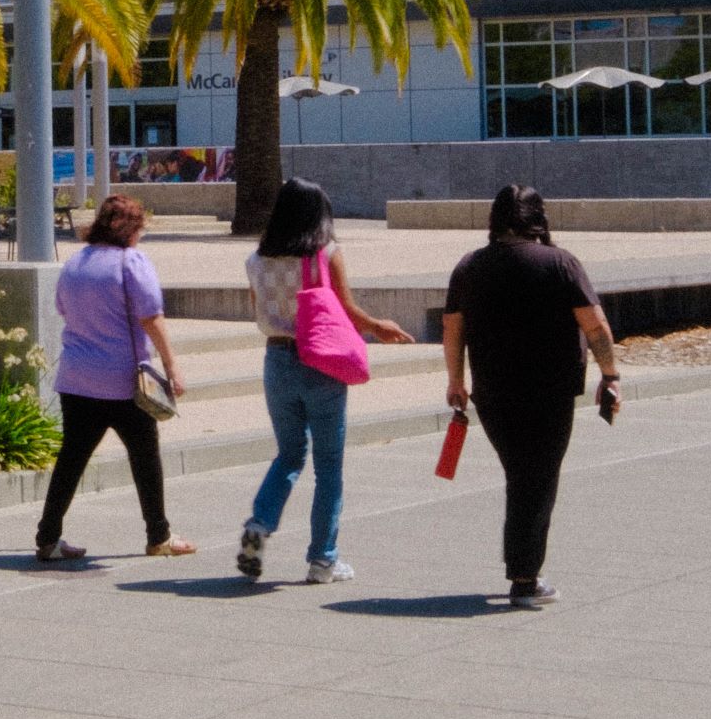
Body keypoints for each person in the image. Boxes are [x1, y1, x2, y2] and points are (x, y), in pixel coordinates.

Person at [442, 183, 622, 608]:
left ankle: (523, 567)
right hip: (550, 390)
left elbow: (452, 329)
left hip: (493, 392)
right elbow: (594, 326)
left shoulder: (469, 267)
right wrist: (610, 374)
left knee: (521, 475)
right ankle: (524, 577)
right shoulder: (561, 263)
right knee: (536, 478)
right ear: (538, 219)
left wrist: (455, 381)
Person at [237, 177, 411, 585]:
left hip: (277, 361)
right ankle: (323, 560)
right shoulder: (325, 255)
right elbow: (347, 311)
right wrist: (378, 327)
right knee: (328, 466)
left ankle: (260, 524)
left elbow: (257, 310)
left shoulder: (255, 260)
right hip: (321, 364)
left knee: (289, 455)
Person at [35, 194, 196, 561]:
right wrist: (172, 367)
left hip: (76, 379)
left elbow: (63, 309)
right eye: (140, 229)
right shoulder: (131, 262)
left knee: (71, 458)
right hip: (124, 382)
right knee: (145, 458)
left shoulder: (75, 263)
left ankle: (47, 537)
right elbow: (151, 316)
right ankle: (159, 536)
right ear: (131, 229)